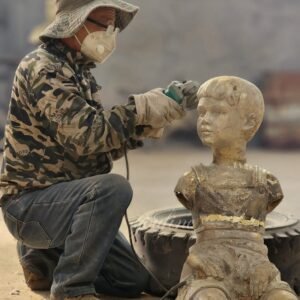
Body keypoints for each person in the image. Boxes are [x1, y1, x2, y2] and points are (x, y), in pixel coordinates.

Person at [0, 1, 199, 299]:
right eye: (102, 24)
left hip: (61, 202)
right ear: (74, 22)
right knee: (112, 189)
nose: (110, 33)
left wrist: (151, 120)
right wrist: (141, 110)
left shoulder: (76, 71)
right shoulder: (44, 69)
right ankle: (71, 287)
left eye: (113, 26)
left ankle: (42, 259)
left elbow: (97, 149)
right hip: (29, 205)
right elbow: (88, 136)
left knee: (130, 281)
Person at [174, 76, 297, 300]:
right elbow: (197, 248)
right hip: (208, 271)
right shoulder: (193, 180)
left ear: (249, 122)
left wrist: (264, 267)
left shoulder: (266, 183)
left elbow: (257, 246)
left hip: (258, 272)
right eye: (202, 112)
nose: (205, 120)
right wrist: (196, 259)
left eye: (218, 112)